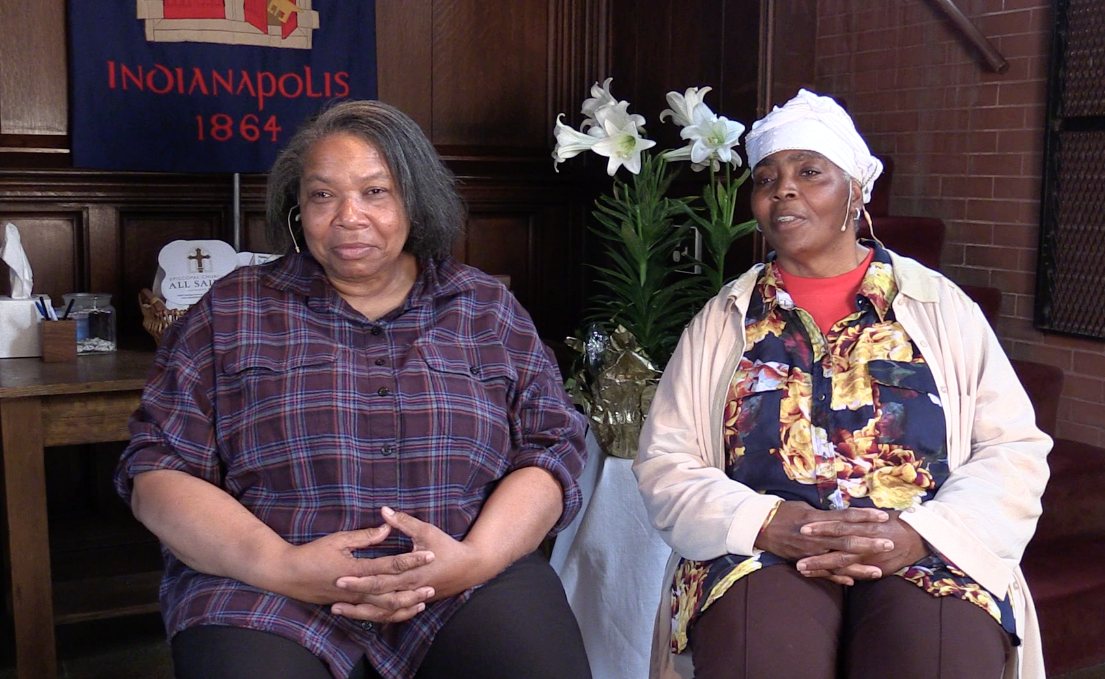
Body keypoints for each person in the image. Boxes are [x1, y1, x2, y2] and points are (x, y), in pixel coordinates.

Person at [115, 100, 592, 679]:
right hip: (266, 586)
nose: (348, 216)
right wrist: (282, 565)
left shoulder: (485, 308)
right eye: (322, 195)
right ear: (297, 207)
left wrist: (476, 559)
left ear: (416, 201)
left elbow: (552, 447)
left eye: (375, 192)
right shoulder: (232, 310)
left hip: (463, 576)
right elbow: (158, 473)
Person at [633, 89, 1051, 679]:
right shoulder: (724, 319)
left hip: (926, 548)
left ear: (856, 191)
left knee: (937, 652)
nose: (783, 189)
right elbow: (666, 461)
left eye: (810, 172)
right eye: (766, 178)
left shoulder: (937, 307)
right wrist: (768, 523)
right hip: (759, 551)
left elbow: (1013, 449)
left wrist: (920, 533)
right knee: (761, 650)